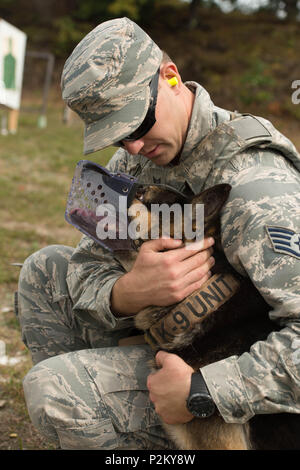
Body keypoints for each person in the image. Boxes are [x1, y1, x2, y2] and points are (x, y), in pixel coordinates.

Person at [16, 17, 300, 450]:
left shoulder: (258, 186)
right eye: (117, 133)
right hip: (172, 346)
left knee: (57, 391)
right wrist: (127, 292)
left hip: (246, 398)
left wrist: (201, 392)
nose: (130, 145)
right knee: (43, 271)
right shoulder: (133, 162)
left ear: (170, 78)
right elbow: (85, 265)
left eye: (135, 121)